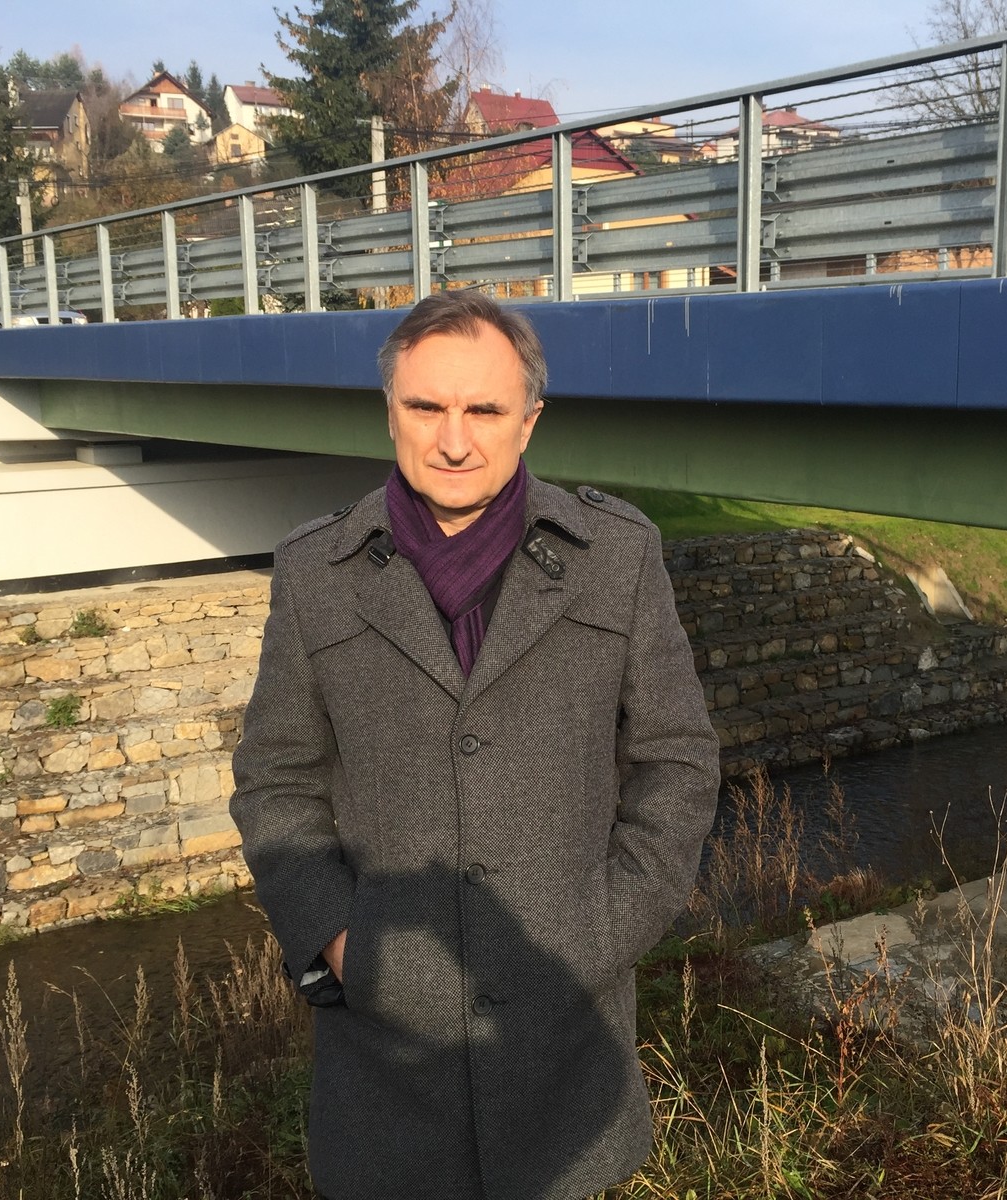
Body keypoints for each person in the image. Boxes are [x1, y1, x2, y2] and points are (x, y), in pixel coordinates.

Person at [230, 290, 721, 1200]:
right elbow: (275, 778)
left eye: (484, 410)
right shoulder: (314, 572)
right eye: (427, 407)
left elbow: (677, 761)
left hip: (568, 1054)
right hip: (384, 1065)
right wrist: (340, 943)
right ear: (390, 411)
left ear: (528, 421)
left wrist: (603, 931)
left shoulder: (615, 556)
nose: (453, 440)